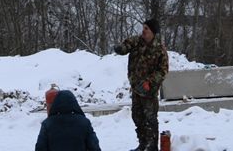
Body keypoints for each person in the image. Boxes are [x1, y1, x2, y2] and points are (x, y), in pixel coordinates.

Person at [113, 18, 169, 151]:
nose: (143, 31)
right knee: (137, 117)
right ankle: (143, 143)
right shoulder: (136, 41)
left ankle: (152, 146)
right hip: (136, 88)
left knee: (150, 119)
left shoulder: (160, 49)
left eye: (146, 29)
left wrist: (150, 82)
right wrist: (119, 48)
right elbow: (125, 47)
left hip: (149, 90)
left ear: (153, 32)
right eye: (143, 28)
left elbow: (163, 70)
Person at [35, 89, 101, 151]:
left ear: (55, 103)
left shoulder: (47, 124)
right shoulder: (84, 122)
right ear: (74, 103)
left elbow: (40, 148)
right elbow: (94, 148)